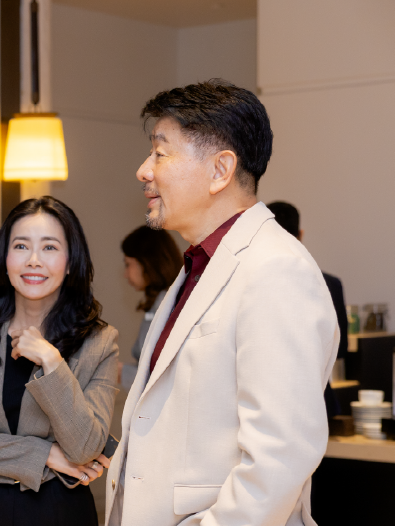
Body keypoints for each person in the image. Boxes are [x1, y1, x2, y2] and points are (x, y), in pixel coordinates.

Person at [105, 80, 339, 525]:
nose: (143, 170)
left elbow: (278, 460)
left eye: (160, 153)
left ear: (220, 169)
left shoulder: (275, 269)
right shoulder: (199, 264)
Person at [0, 196, 119, 526]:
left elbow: (85, 449)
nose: (34, 260)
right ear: (4, 258)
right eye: (21, 246)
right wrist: (44, 454)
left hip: (60, 511)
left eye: (49, 247)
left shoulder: (99, 343)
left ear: (70, 262)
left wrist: (52, 361)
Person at [266, 200, 348, 418]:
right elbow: (340, 348)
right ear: (300, 234)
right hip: (320, 401)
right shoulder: (330, 284)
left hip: (274, 403)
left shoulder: (252, 281)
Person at [119, 226, 183, 391]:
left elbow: (164, 378)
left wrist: (118, 372)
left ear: (147, 262)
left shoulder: (168, 304)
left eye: (128, 264)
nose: (125, 274)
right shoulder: (161, 302)